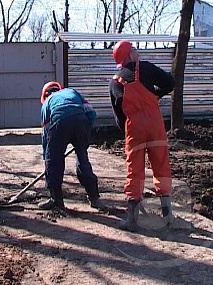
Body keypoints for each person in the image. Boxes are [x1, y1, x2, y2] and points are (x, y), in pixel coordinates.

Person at [109, 40, 175, 231]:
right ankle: (168, 215)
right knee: (161, 164)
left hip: (134, 128)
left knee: (134, 169)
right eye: (135, 50)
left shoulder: (115, 83)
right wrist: (157, 95)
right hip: (155, 124)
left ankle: (132, 219)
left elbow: (119, 117)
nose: (138, 53)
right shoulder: (145, 68)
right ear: (129, 55)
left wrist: (129, 133)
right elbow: (170, 83)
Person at [38, 81, 105, 211]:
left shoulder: (47, 103)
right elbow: (91, 114)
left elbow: (46, 134)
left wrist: (47, 157)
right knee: (83, 159)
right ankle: (94, 198)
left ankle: (56, 200)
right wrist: (84, 136)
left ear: (45, 96)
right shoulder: (72, 92)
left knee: (54, 160)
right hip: (81, 122)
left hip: (60, 122)